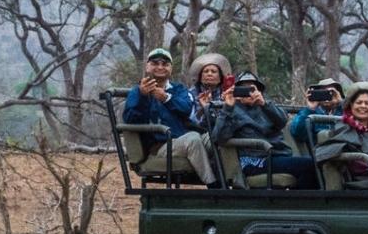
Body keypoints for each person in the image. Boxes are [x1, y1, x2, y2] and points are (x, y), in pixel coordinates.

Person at [122, 48, 220, 187]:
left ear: (171, 68)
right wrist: (143, 97)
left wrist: (166, 98)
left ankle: (236, 180)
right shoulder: (138, 91)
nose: (160, 67)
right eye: (155, 63)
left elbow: (186, 109)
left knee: (218, 135)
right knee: (192, 139)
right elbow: (131, 120)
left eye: (165, 64)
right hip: (161, 145)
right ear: (147, 66)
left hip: (184, 138)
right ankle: (214, 185)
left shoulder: (178, 89)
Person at [210, 72, 318, 188]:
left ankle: (297, 201)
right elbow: (218, 137)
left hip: (276, 155)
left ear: (259, 91)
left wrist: (263, 103)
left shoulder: (265, 106)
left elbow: (282, 121)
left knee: (315, 164)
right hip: (253, 160)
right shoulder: (233, 109)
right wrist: (228, 107)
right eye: (243, 89)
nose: (248, 93)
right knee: (309, 164)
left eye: (252, 89)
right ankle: (298, 203)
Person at [187, 52, 235, 133]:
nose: (209, 74)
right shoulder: (190, 94)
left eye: (213, 71)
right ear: (200, 77)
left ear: (220, 77)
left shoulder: (227, 94)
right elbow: (191, 120)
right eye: (206, 71)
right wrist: (203, 109)